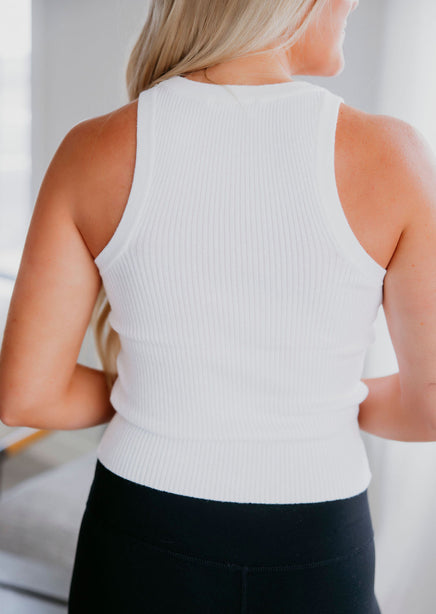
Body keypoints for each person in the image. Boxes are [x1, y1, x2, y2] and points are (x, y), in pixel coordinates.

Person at [1, 0, 436, 612]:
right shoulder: (394, 156)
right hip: (318, 537)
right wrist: (315, 397)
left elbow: (28, 396)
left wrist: (167, 386)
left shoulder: (91, 150)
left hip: (140, 527)